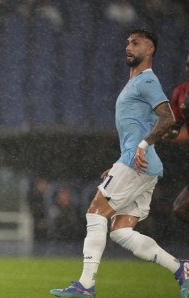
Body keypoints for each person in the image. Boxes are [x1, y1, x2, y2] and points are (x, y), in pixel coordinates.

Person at [50, 29, 189, 298]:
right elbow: (137, 129)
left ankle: (85, 286)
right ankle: (181, 269)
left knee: (94, 213)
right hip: (141, 164)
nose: (129, 46)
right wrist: (121, 161)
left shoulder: (147, 81)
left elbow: (168, 119)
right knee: (121, 231)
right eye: (127, 42)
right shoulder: (134, 83)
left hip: (138, 162)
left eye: (136, 43)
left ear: (150, 51)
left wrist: (141, 147)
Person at [163, 53, 189, 223]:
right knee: (179, 208)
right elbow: (176, 128)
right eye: (187, 64)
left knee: (182, 208)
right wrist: (165, 134)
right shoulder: (181, 91)